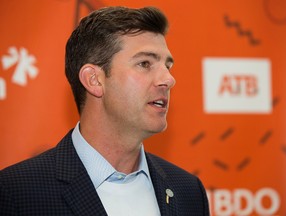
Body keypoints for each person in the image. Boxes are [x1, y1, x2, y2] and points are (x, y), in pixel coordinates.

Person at [0, 6, 210, 215]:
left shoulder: (188, 191)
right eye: (145, 63)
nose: (168, 80)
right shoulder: (15, 192)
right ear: (94, 80)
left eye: (168, 66)